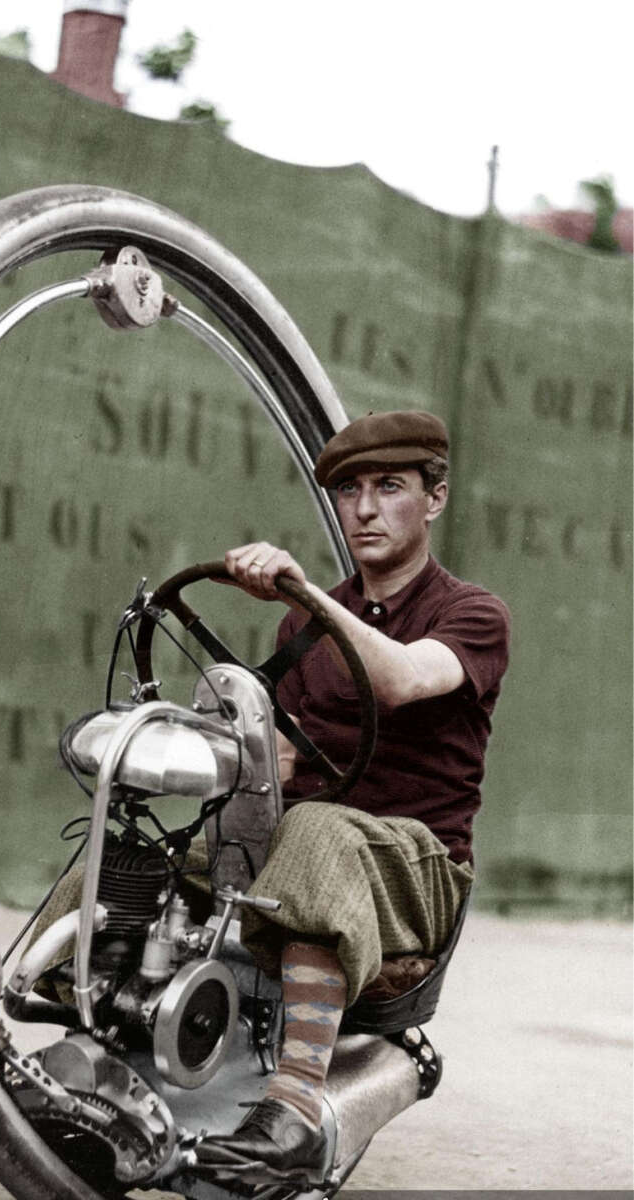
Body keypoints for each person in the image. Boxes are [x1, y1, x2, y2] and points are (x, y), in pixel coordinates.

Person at [194, 409, 510, 1179]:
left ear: (433, 499)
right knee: (155, 850)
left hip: (416, 871)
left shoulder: (472, 614)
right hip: (322, 849)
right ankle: (68, 1050)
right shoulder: (302, 627)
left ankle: (296, 1108)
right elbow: (282, 765)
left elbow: (400, 678)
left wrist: (307, 595)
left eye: (389, 487)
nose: (364, 508)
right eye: (348, 491)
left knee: (317, 831)